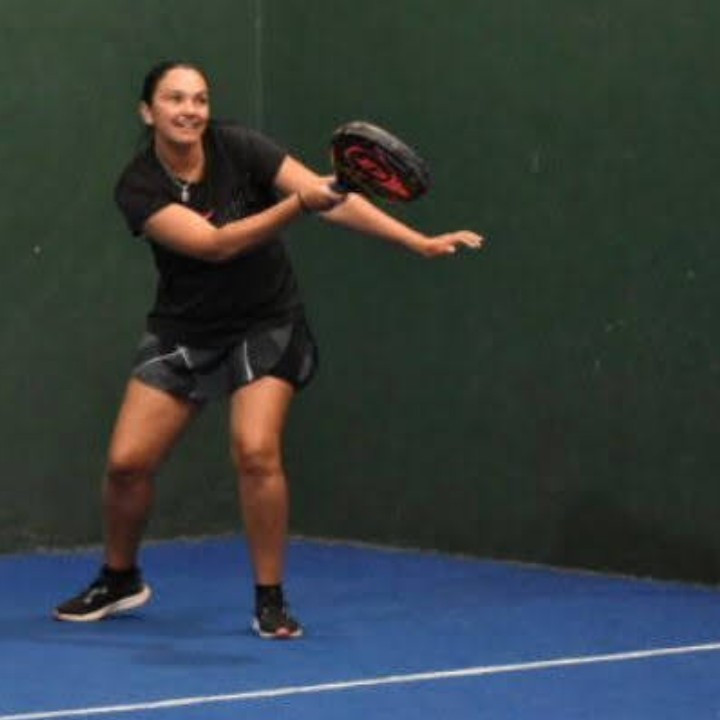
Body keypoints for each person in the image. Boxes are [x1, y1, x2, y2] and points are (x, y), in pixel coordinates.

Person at [53, 61, 484, 638]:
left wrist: (417, 241)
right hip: (185, 330)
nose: (190, 110)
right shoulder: (138, 186)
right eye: (175, 99)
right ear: (147, 111)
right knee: (127, 465)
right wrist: (300, 204)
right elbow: (215, 245)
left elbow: (332, 197)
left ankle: (270, 599)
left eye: (200, 99)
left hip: (266, 321)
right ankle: (120, 577)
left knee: (256, 450)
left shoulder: (239, 146)